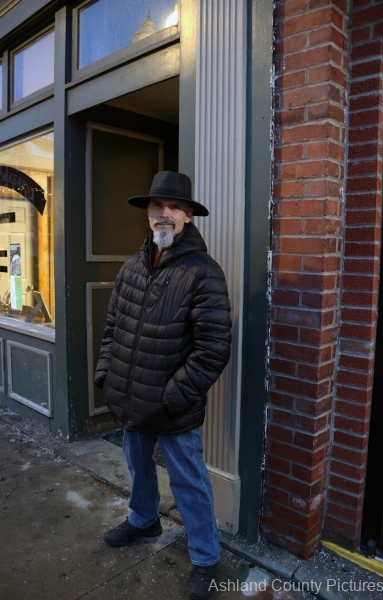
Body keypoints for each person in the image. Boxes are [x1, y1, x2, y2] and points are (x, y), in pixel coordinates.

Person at [95, 171, 231, 600]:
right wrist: (106, 374)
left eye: (174, 206)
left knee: (189, 481)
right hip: (130, 396)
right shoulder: (133, 267)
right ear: (148, 214)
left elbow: (213, 349)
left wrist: (173, 397)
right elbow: (113, 328)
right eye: (157, 206)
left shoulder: (203, 272)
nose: (164, 213)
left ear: (188, 215)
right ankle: (143, 520)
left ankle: (206, 558)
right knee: (138, 468)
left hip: (173, 406)